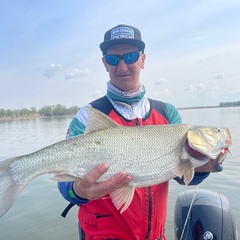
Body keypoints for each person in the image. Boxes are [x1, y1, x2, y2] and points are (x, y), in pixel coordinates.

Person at [58, 24, 224, 240]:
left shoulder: (167, 113)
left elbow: (182, 178)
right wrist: (80, 191)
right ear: (104, 63)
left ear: (143, 60)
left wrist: (203, 168)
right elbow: (64, 186)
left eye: (131, 56)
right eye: (113, 59)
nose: (122, 66)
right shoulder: (88, 115)